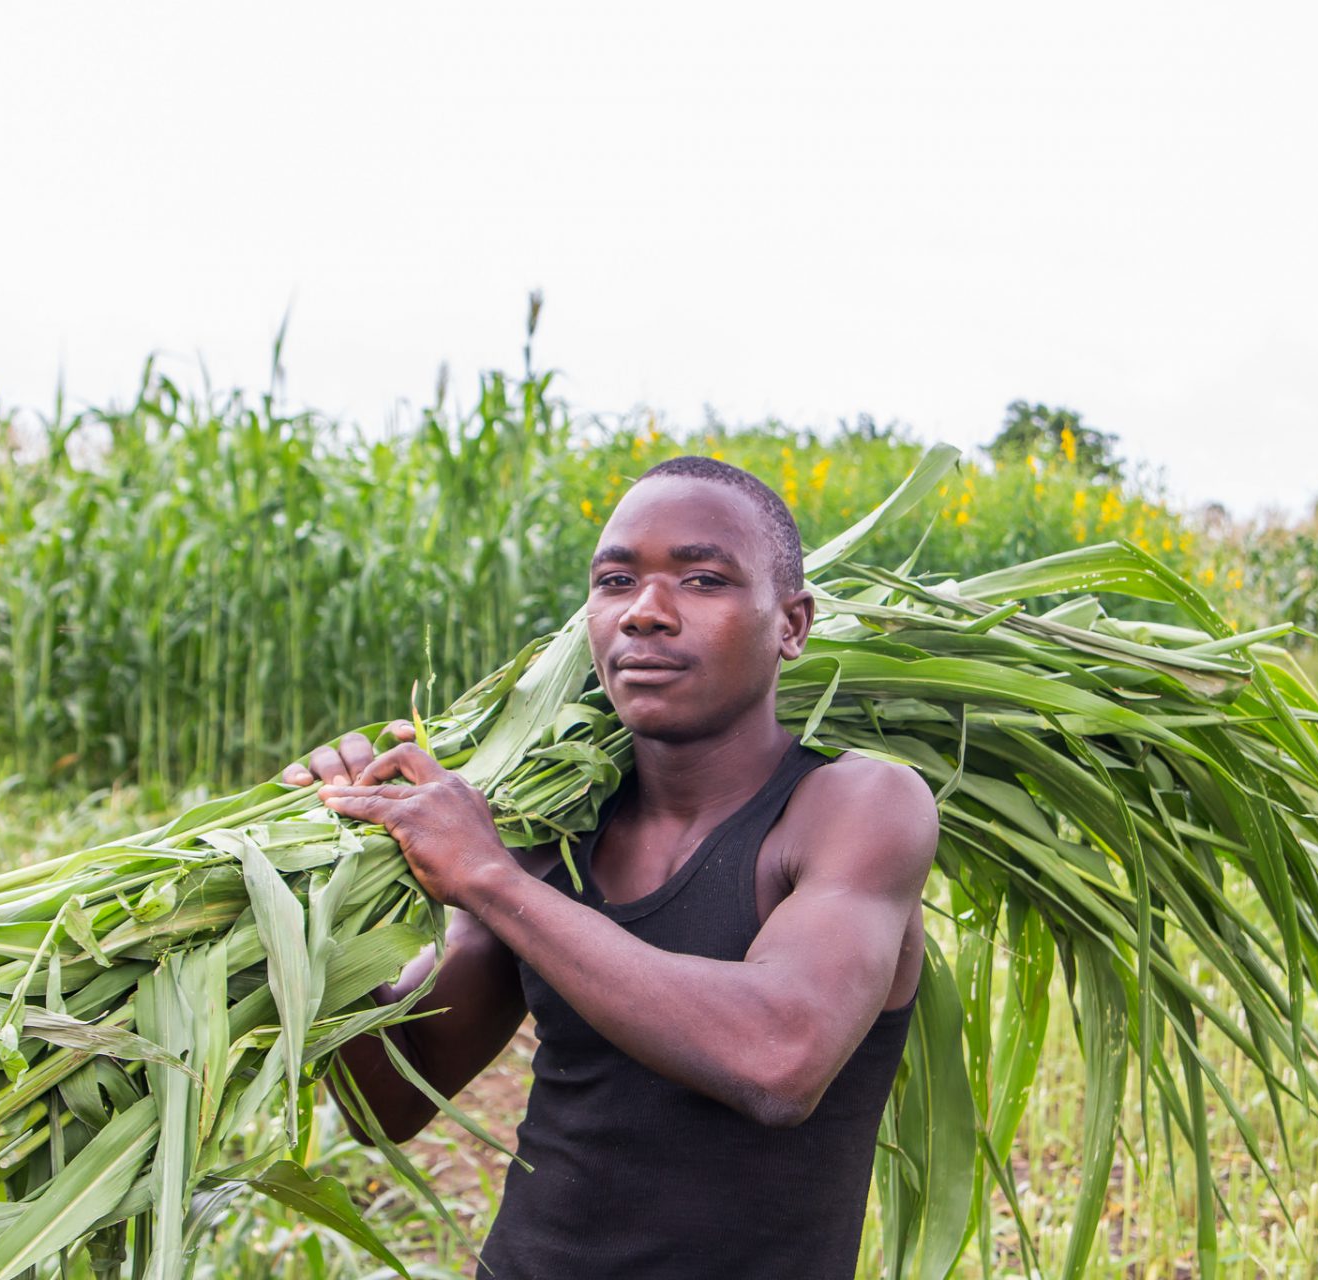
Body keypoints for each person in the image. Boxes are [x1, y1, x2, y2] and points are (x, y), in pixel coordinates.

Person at [284, 456, 940, 1278]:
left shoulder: (855, 805)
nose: (645, 613)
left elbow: (780, 1060)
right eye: (615, 580)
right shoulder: (551, 836)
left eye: (703, 580)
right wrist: (315, 893)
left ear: (792, 624)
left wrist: (487, 876)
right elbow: (395, 1101)